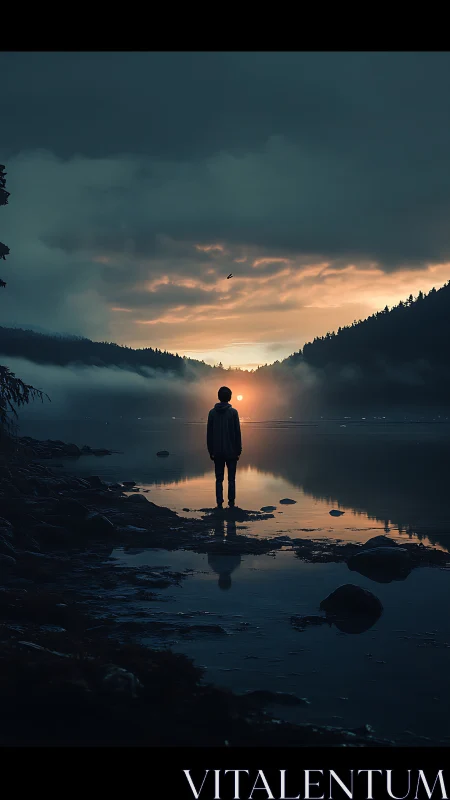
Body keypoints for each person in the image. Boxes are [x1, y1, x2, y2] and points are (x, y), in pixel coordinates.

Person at [207, 386, 242, 508]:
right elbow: (237, 433)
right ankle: (231, 503)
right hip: (232, 451)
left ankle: (219, 502)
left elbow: (209, 434)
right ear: (230, 397)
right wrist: (239, 450)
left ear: (219, 397)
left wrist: (210, 451)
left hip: (217, 452)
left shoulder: (212, 413)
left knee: (219, 478)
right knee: (231, 479)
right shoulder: (233, 413)